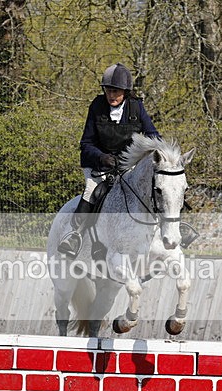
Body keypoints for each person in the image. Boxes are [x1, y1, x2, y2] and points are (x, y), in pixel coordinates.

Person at [57, 62, 161, 258]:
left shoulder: (137, 107)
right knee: (92, 192)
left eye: (116, 91)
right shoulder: (97, 106)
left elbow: (153, 135)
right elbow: (86, 143)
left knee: (154, 189)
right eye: (108, 91)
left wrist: (163, 153)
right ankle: (73, 235)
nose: (111, 95)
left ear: (125, 92)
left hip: (127, 165)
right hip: (99, 164)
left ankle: (167, 231)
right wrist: (101, 157)